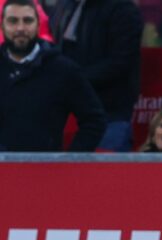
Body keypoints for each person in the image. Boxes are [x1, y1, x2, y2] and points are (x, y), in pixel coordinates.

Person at [0, 0, 105, 151]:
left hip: (46, 164)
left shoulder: (63, 69)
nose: (20, 28)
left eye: (28, 21)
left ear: (38, 25)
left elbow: (94, 120)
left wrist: (71, 158)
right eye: (13, 21)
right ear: (2, 25)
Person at [50, 0, 144, 152]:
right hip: (66, 113)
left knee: (106, 166)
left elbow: (120, 62)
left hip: (109, 113)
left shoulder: (123, 9)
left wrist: (74, 80)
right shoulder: (65, 5)